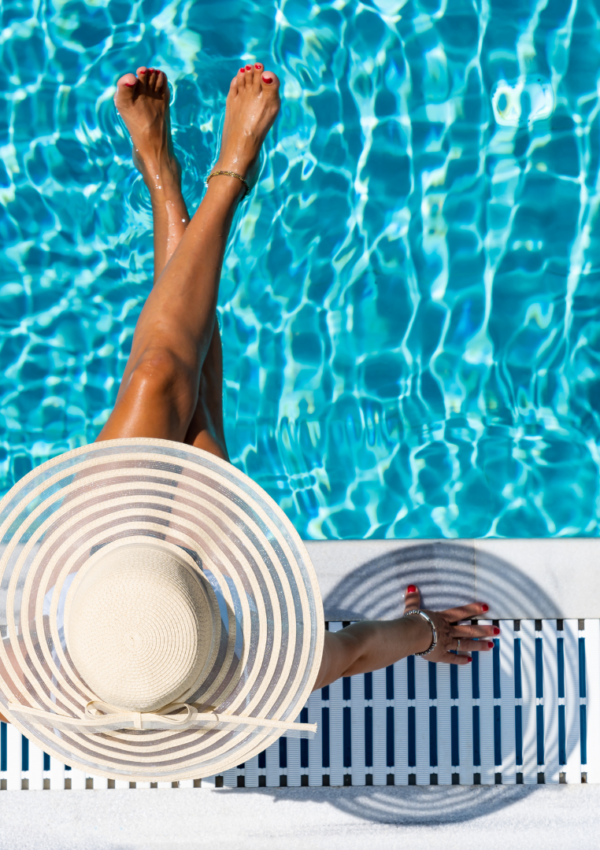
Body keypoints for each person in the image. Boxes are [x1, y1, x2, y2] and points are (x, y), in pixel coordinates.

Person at [103, 60, 497, 690]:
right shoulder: (252, 675)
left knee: (157, 375)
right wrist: (424, 631)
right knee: (190, 400)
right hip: (199, 588)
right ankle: (213, 180)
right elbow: (360, 647)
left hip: (108, 579)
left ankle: (171, 180)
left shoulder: (39, 693)